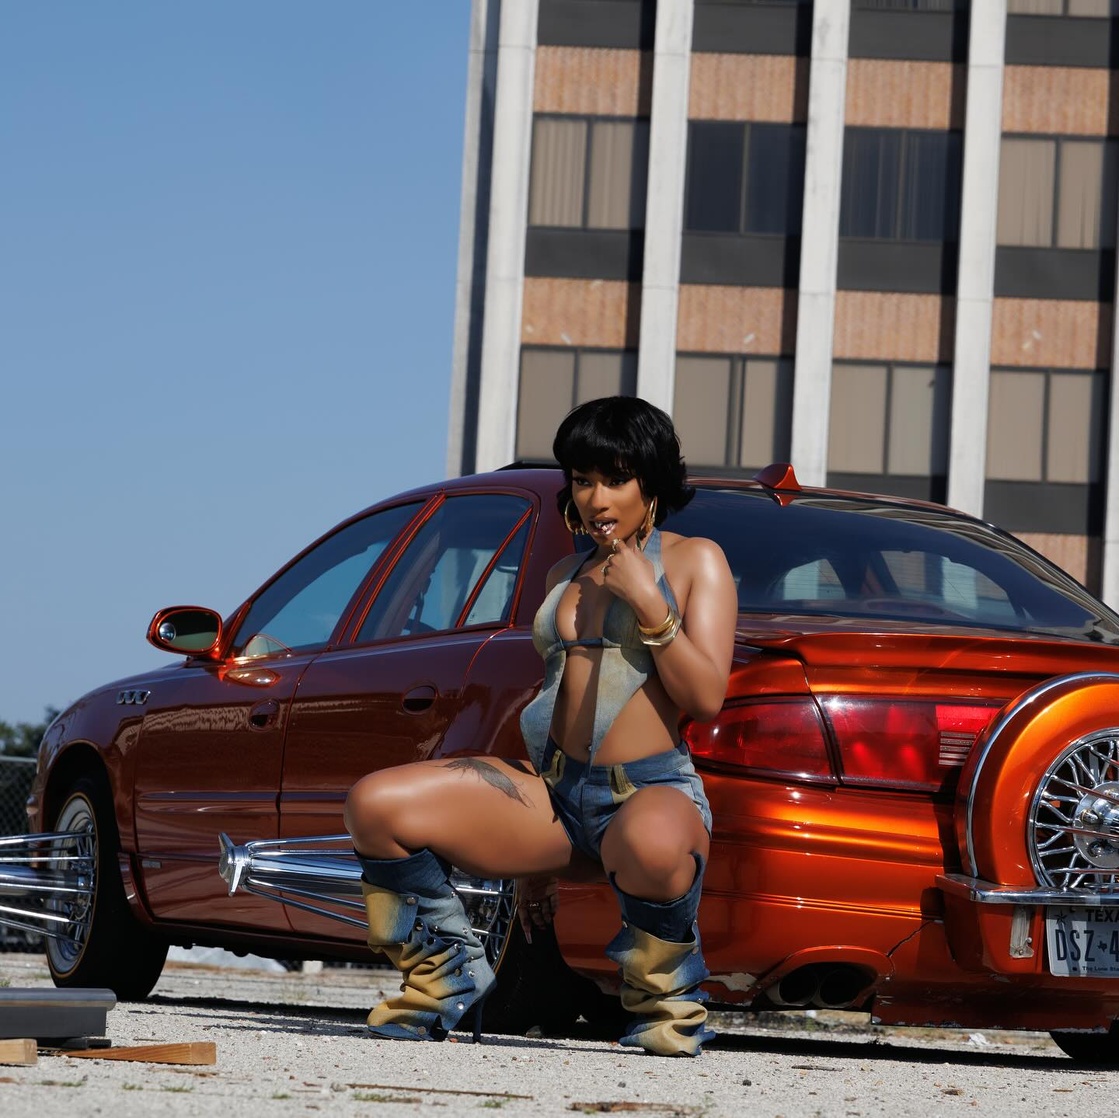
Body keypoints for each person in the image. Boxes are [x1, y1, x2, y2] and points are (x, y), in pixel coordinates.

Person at [343, 396, 737, 1056]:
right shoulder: (564, 574)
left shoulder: (697, 561)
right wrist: (533, 862)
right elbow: (553, 698)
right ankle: (444, 975)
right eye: (582, 480)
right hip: (554, 795)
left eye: (615, 479)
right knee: (376, 804)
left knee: (652, 845)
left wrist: (649, 602)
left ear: (650, 482)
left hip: (645, 794)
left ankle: (664, 1004)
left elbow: (706, 698)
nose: (596, 498)